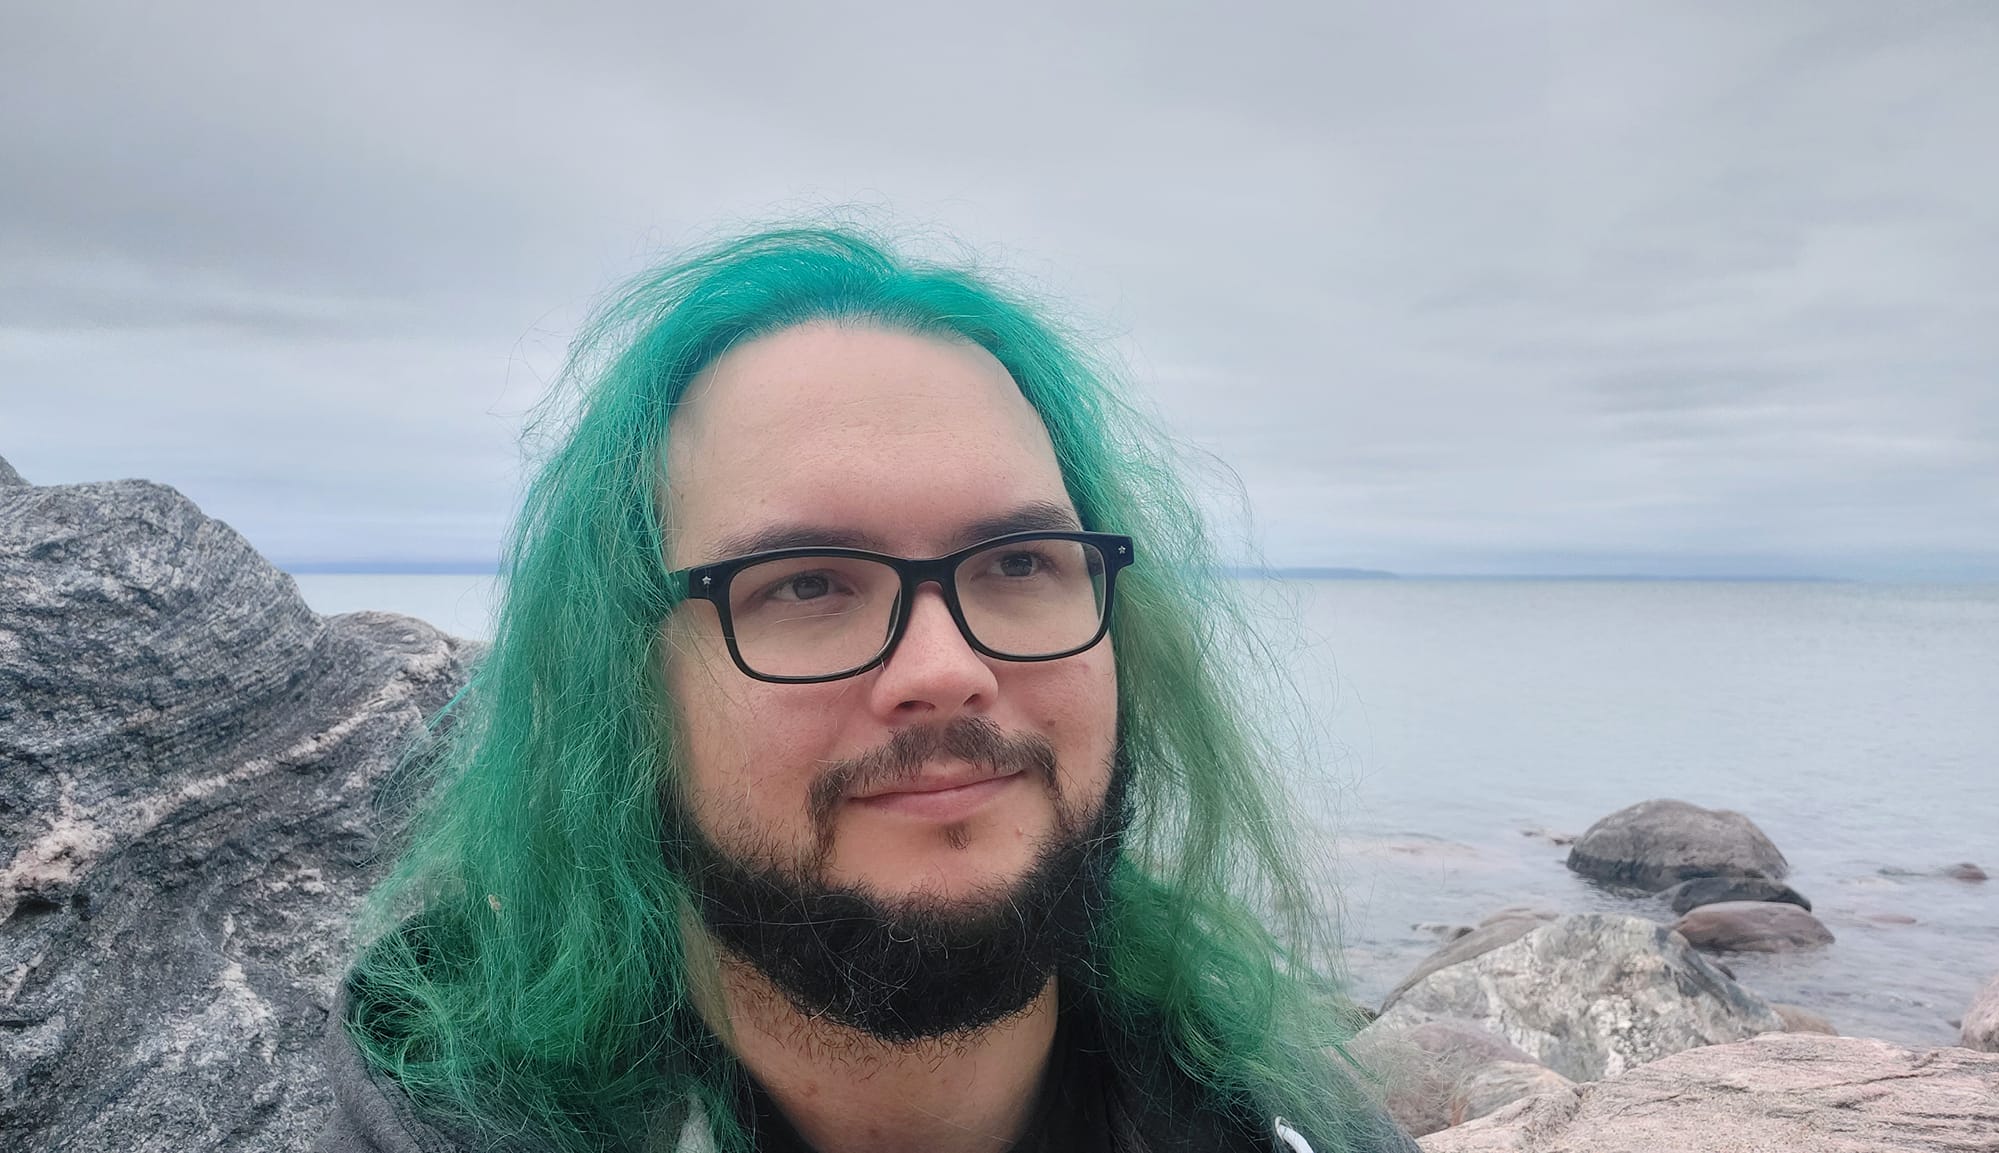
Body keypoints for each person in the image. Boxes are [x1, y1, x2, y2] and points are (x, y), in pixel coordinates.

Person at [320, 225, 1417, 1153]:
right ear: (622, 697)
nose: (945, 670)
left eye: (1020, 563)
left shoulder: (1287, 1120)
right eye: (803, 583)